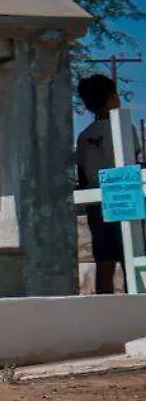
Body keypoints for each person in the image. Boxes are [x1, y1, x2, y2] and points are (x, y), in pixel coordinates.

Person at [76, 74, 125, 295]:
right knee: (130, 254)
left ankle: (105, 306)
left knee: (104, 262)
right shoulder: (122, 128)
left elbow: (82, 174)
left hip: (96, 202)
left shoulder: (84, 135)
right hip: (124, 198)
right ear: (112, 98)